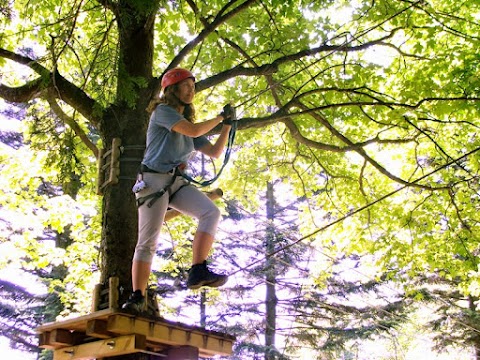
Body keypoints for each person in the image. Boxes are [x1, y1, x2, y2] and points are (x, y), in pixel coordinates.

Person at [122, 68, 234, 312]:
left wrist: (227, 126)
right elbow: (194, 131)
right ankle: (137, 295)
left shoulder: (186, 124)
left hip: (175, 182)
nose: (191, 90)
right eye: (186, 85)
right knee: (147, 241)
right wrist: (218, 118)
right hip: (153, 182)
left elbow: (214, 151)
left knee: (210, 213)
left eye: (193, 86)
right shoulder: (163, 112)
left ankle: (198, 269)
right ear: (172, 90)